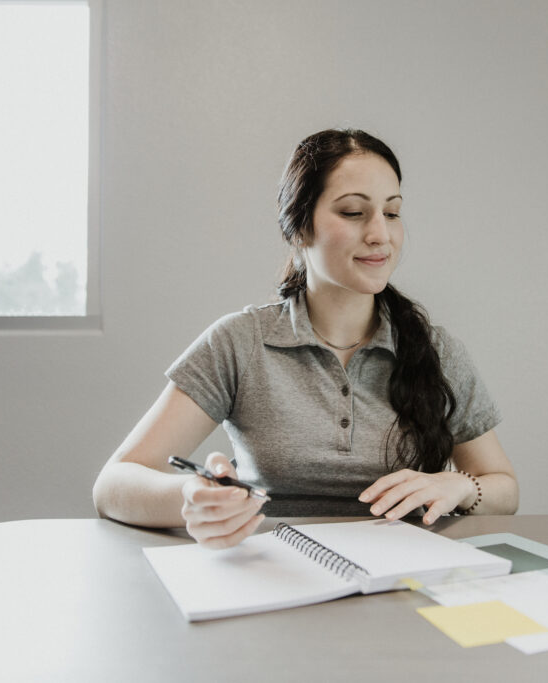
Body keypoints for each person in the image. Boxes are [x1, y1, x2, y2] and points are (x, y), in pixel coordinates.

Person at [93, 128, 518, 548]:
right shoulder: (240, 343)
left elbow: (504, 488)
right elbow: (114, 484)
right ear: (298, 228)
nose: (380, 234)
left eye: (391, 212)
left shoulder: (437, 350)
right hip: (276, 574)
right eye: (353, 212)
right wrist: (192, 497)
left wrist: (459, 487)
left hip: (406, 575)